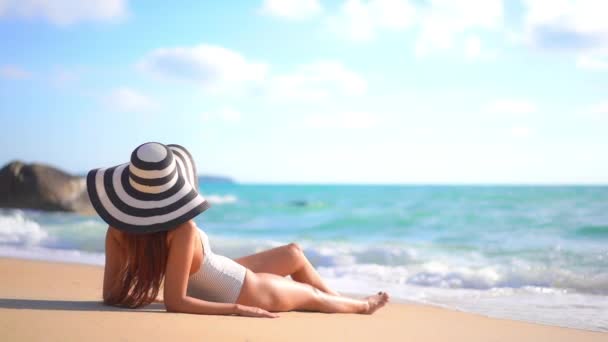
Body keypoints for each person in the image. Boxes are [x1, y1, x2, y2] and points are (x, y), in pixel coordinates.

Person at [87, 142, 389, 318]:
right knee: (311, 295)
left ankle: (341, 298)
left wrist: (147, 295)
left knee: (293, 253)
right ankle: (360, 307)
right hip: (246, 292)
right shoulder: (182, 229)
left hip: (218, 274)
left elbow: (111, 294)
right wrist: (237, 310)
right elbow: (175, 303)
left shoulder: (117, 229)